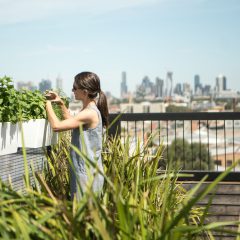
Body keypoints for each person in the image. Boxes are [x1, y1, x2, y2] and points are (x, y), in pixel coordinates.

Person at [45, 71, 109, 200]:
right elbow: (72, 120)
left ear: (85, 92)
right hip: (85, 171)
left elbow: (56, 126)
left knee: (84, 214)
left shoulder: (89, 113)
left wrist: (47, 104)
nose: (72, 90)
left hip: (87, 174)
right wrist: (60, 103)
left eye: (75, 88)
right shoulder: (87, 110)